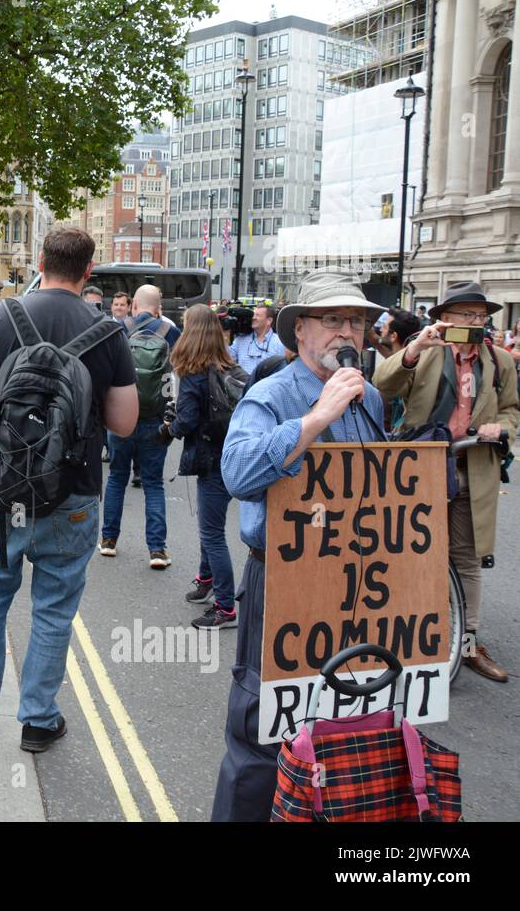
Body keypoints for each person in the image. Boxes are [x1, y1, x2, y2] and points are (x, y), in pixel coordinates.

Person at [212, 267, 387, 822]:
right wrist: (316, 419)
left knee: (343, 723)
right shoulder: (271, 394)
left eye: (356, 322)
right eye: (333, 319)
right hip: (283, 579)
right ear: (301, 332)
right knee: (265, 729)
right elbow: (238, 474)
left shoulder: (372, 399)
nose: (347, 332)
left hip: (354, 579)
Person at [0, 225, 138, 752]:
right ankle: (37, 718)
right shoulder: (107, 330)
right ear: (89, 271)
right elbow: (125, 423)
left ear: (39, 259)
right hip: (74, 492)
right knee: (54, 606)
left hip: (3, 486)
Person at [373, 281, 519, 683]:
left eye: (480, 315)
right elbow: (381, 385)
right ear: (444, 319)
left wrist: (500, 427)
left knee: (467, 558)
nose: (475, 322)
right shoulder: (425, 354)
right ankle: (415, 638)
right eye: (466, 315)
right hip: (421, 467)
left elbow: (511, 410)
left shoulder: (498, 360)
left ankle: (467, 642)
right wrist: (415, 347)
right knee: (415, 553)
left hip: (474, 466)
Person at [163, 304, 248, 629]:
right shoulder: (231, 367)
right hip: (236, 455)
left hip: (211, 460)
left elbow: (184, 422)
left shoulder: (192, 372)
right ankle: (206, 578)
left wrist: (166, 429)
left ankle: (225, 608)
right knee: (209, 524)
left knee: (212, 532)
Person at [99, 284, 177, 568]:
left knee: (117, 478)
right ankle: (157, 550)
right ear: (159, 307)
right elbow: (173, 380)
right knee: (153, 484)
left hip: (121, 418)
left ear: (134, 306)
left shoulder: (117, 328)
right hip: (155, 420)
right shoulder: (170, 333)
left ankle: (108, 541)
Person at [229, 304, 286, 375]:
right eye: (253, 315)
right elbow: (227, 359)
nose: (253, 318)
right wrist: (226, 336)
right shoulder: (240, 339)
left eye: (257, 315)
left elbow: (283, 371)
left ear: (269, 320)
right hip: (242, 385)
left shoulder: (279, 343)